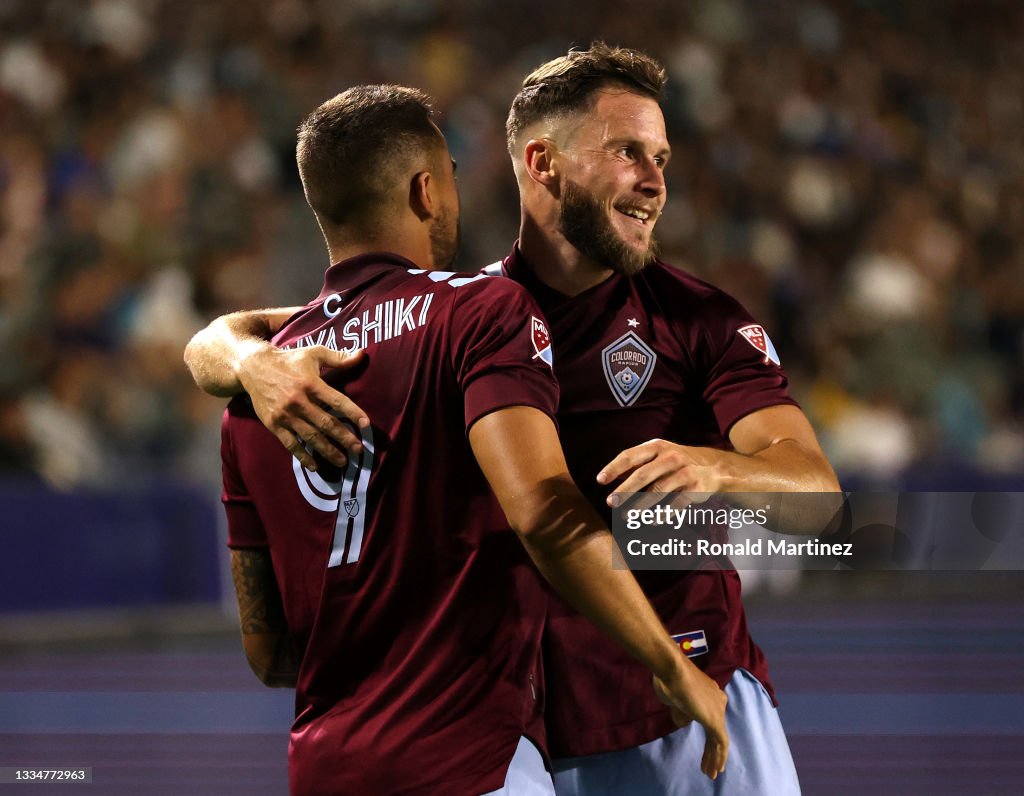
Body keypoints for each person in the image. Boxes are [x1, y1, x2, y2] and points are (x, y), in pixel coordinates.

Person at [186, 45, 840, 795]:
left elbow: (820, 503)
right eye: (628, 152)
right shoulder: (469, 313)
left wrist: (716, 466)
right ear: (543, 162)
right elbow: (275, 330)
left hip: (691, 706)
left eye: (661, 156)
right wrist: (241, 358)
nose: (656, 181)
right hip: (534, 734)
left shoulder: (698, 319)